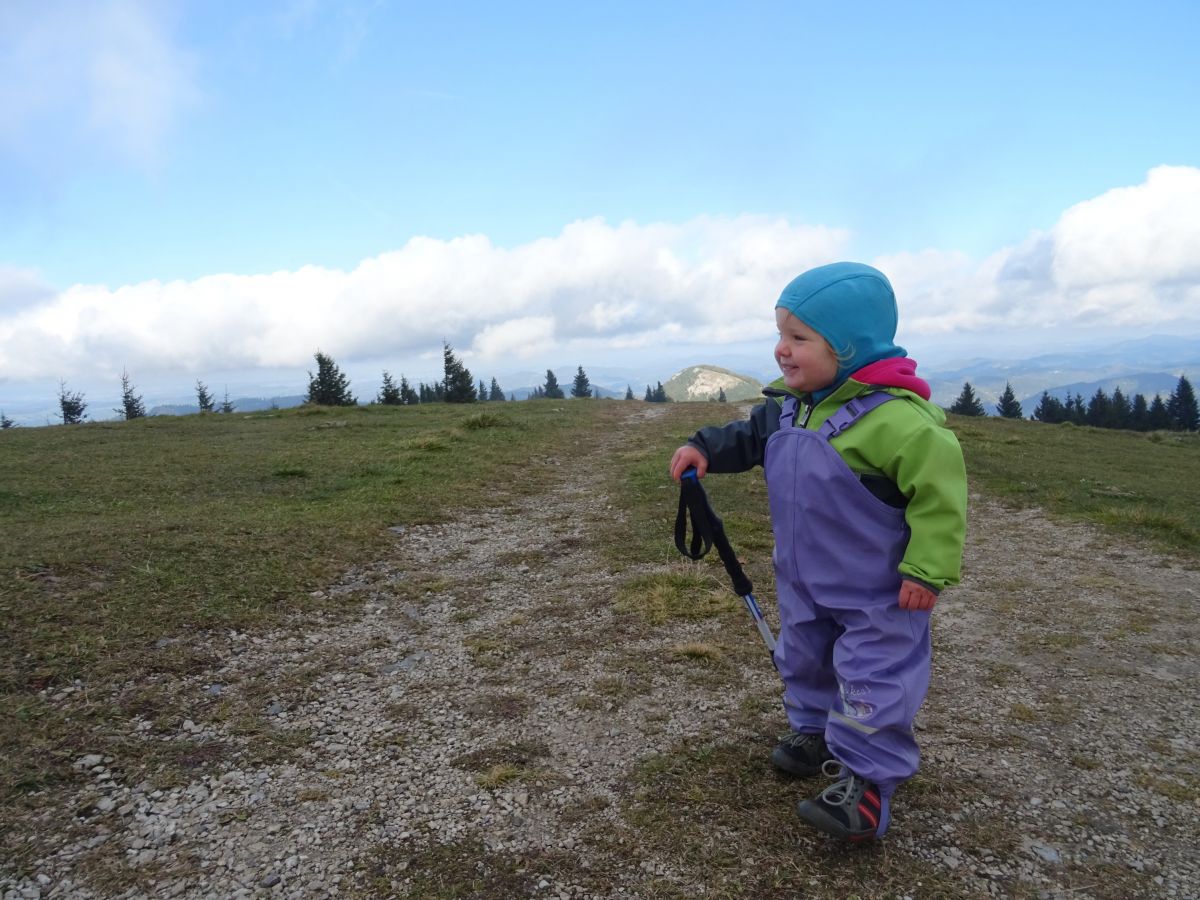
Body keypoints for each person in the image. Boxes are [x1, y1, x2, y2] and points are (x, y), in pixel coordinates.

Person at [669, 261, 967, 841]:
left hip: (879, 593)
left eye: (798, 338)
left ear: (848, 347)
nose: (782, 350)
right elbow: (750, 436)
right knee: (802, 659)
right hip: (803, 579)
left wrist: (928, 571)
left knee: (872, 678)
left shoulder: (900, 423)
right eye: (780, 334)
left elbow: (940, 497)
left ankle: (868, 789)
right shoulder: (791, 405)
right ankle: (813, 733)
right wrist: (702, 446)